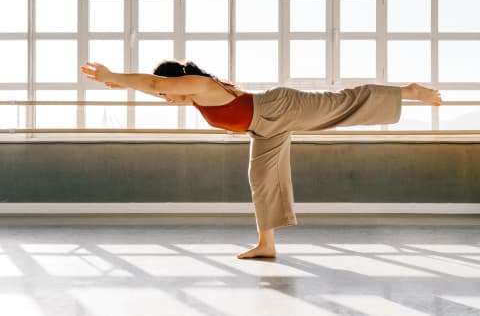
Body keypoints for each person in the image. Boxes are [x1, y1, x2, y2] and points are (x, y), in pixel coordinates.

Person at [80, 60, 442, 259]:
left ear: (182, 82)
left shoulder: (203, 87)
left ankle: (407, 91)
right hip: (263, 128)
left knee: (339, 104)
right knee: (262, 180)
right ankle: (266, 244)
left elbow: (157, 84)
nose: (167, 99)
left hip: (279, 108)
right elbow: (159, 87)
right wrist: (127, 83)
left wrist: (116, 77)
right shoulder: (201, 96)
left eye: (170, 93)